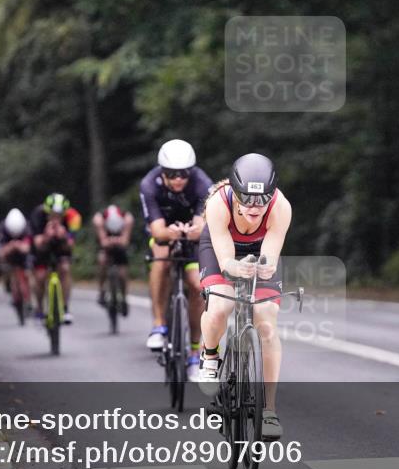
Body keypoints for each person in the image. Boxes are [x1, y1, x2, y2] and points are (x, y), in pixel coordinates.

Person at [197, 153, 291, 441]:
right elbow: (225, 257)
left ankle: (269, 410)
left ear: (272, 195)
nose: (254, 207)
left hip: (258, 253)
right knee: (220, 305)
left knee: (266, 321)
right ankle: (210, 357)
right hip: (220, 250)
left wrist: (263, 269)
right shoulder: (218, 203)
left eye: (262, 200)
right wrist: (232, 267)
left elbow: (270, 256)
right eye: (247, 200)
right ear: (235, 194)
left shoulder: (281, 207)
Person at [139, 139, 214, 380]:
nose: (178, 179)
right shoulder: (150, 184)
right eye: (171, 174)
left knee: (196, 285)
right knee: (160, 259)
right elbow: (158, 230)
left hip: (192, 232)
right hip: (163, 229)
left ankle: (194, 351)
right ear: (162, 171)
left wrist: (192, 231)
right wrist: (172, 233)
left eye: (183, 173)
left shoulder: (203, 184)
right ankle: (159, 325)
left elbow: (201, 225)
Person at [29, 193, 82, 325]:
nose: (56, 218)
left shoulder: (73, 217)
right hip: (43, 249)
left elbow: (70, 245)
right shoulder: (38, 215)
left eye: (59, 215)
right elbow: (37, 244)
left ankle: (65, 308)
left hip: (61, 248)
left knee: (65, 269)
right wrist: (47, 236)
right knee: (40, 276)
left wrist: (64, 236)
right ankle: (39, 309)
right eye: (52, 214)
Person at [93, 204, 134, 312]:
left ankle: (124, 298)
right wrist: (110, 240)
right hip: (106, 247)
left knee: (123, 273)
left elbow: (125, 241)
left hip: (120, 248)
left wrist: (116, 240)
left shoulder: (128, 218)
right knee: (102, 261)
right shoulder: (99, 219)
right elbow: (103, 241)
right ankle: (101, 290)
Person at [0, 208, 32, 309]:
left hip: (22, 256)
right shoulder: (1, 229)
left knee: (27, 274)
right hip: (8, 255)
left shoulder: (26, 228)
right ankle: (7, 281)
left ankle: (28, 300)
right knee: (5, 265)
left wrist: (18, 245)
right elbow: (0, 253)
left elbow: (27, 248)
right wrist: (10, 246)